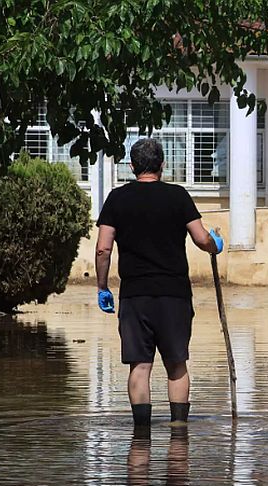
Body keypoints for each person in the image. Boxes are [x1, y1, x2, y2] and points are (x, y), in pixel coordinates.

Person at [95, 138, 223, 427]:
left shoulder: (117, 199)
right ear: (162, 165)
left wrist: (102, 287)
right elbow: (201, 238)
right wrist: (215, 245)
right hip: (174, 295)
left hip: (135, 295)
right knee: (176, 364)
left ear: (131, 166)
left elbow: (103, 248)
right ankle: (179, 433)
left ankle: (141, 438)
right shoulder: (178, 196)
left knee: (140, 365)